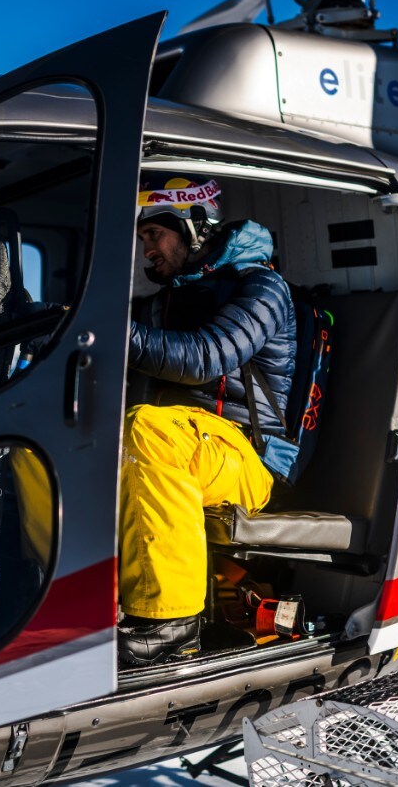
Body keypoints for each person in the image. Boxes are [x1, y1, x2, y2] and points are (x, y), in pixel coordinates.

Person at [118, 175, 296, 668]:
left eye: (155, 235)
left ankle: (170, 625)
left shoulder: (261, 286)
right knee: (42, 447)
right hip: (179, 446)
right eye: (143, 240)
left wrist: (107, 327)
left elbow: (206, 356)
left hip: (246, 458)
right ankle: (71, 599)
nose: (147, 250)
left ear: (194, 225)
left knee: (148, 429)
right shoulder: (160, 303)